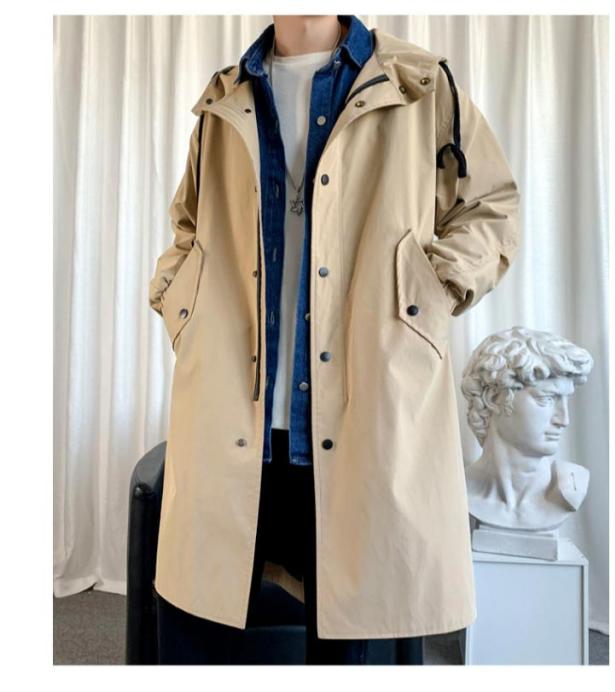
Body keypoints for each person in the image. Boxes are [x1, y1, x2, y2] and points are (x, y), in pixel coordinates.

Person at [150, 14, 521, 665]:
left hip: (367, 412)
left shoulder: (419, 83)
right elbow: (189, 225)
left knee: (357, 637)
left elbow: (490, 207)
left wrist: (426, 292)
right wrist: (182, 302)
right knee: (199, 632)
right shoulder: (225, 96)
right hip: (233, 415)